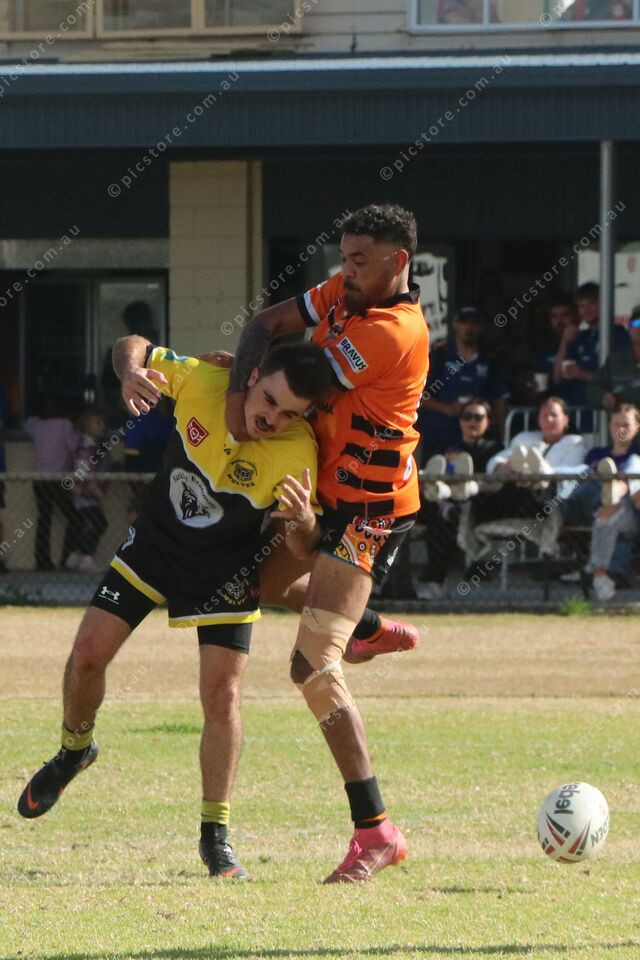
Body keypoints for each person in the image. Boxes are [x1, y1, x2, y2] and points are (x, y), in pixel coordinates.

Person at [18, 338, 334, 883]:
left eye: (290, 414)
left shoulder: (297, 450)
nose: (272, 418)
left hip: (225, 571)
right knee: (87, 655)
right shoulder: (201, 381)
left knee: (222, 694)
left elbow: (306, 549)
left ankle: (216, 836)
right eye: (269, 400)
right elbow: (131, 345)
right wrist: (129, 371)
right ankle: (74, 751)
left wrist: (303, 522)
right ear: (251, 377)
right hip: (155, 547)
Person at [224, 203, 429, 883]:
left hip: (369, 512)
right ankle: (364, 629)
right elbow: (264, 324)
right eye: (344, 257)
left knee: (311, 668)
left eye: (360, 260)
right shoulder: (346, 291)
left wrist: (250, 386)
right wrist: (243, 384)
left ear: (399, 262)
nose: (347, 271)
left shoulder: (396, 329)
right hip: (329, 495)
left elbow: (300, 378)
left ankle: (377, 832)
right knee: (261, 584)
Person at [459, 396, 587, 566]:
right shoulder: (524, 439)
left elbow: (570, 475)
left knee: (528, 488)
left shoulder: (576, 446)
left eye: (554, 415)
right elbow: (498, 459)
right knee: (479, 498)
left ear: (566, 419)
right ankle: (459, 489)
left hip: (544, 501)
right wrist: (503, 465)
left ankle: (464, 488)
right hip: (512, 497)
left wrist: (543, 472)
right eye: (544, 415)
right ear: (538, 420)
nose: (549, 420)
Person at [418, 399, 502, 598]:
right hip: (444, 504)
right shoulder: (449, 450)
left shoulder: (495, 450)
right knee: (434, 509)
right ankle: (439, 493)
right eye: (466, 417)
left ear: (488, 421)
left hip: (480, 504)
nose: (472, 422)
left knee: (446, 517)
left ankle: (434, 578)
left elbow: (496, 484)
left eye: (478, 417)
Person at [560, 404, 640, 600]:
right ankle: (603, 575)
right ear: (610, 426)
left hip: (627, 513)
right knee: (584, 478)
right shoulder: (595, 454)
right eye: (616, 424)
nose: (620, 429)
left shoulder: (637, 456)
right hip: (590, 506)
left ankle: (598, 572)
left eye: (626, 425)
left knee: (609, 512)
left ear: (637, 427)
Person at [418, 305, 508, 463]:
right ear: (455, 325)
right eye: (464, 322)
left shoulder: (488, 361)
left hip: (476, 441)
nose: (469, 327)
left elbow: (498, 400)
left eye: (474, 323)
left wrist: (501, 436)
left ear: (481, 328)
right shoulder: (440, 356)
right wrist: (448, 409)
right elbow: (419, 395)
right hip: (439, 435)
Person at [554, 282, 628, 413]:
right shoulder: (580, 337)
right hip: (576, 413)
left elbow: (620, 378)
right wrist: (564, 343)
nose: (586, 310)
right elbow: (558, 377)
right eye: (581, 306)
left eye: (591, 304)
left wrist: (581, 373)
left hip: (605, 414)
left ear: (603, 304)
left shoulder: (618, 334)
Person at [24, 397, 79, 571]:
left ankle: (42, 561)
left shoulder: (37, 425)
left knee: (44, 520)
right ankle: (66, 559)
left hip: (41, 481)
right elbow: (74, 445)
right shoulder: (65, 425)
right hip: (57, 480)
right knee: (74, 517)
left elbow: (26, 423)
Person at [62, 407, 110, 572]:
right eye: (98, 423)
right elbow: (82, 473)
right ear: (86, 427)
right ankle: (86, 557)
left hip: (87, 493)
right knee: (99, 523)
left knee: (86, 524)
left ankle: (75, 556)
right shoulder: (85, 447)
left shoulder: (93, 446)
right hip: (83, 494)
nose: (102, 426)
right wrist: (94, 490)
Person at [587, 309, 640, 412]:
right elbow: (593, 387)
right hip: (623, 421)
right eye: (636, 323)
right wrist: (603, 398)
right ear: (629, 328)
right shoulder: (615, 360)